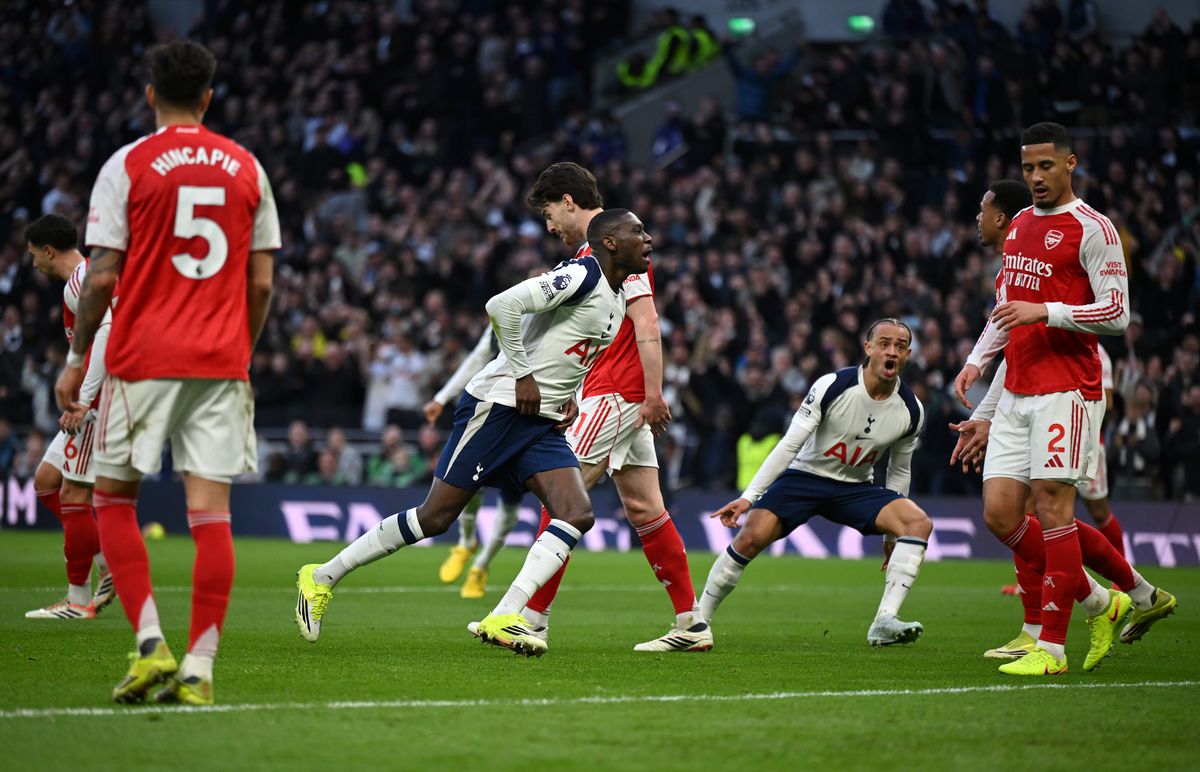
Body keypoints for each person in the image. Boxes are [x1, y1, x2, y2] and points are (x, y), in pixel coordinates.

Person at [295, 208, 652, 658]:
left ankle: (505, 614)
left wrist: (572, 394)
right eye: (638, 231)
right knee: (436, 518)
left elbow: (570, 350)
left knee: (577, 512)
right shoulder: (583, 274)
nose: (649, 238)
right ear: (612, 242)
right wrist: (524, 375)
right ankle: (322, 575)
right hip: (499, 407)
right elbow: (501, 305)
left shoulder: (618, 298)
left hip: (541, 423)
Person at [56, 40, 280, 705]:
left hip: (142, 358)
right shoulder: (246, 167)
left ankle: (151, 643)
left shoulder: (127, 164)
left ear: (150, 95)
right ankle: (201, 670)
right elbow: (262, 284)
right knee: (212, 514)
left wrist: (75, 359)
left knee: (113, 499)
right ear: (209, 97)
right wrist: (241, 347)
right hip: (218, 361)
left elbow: (98, 279)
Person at [952, 124, 1175, 676]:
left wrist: (1047, 312)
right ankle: (1110, 600)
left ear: (1070, 163)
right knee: (1002, 515)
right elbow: (1006, 309)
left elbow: (1118, 314)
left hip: (1067, 389)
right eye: (1028, 169)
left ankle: (1050, 648)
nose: (1035, 178)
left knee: (1052, 507)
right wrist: (978, 361)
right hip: (1016, 391)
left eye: (1046, 167)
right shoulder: (1021, 224)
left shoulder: (1094, 228)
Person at [503, 162, 708, 652]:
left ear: (568, 202)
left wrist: (652, 393)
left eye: (550, 212)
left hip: (617, 394)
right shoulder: (597, 249)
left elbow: (647, 323)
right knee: (645, 508)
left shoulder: (615, 246)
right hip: (613, 393)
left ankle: (530, 618)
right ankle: (691, 623)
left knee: (560, 500)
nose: (549, 224)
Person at [699, 319, 932, 647]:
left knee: (917, 523)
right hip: (805, 477)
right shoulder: (832, 386)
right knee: (751, 536)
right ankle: (697, 622)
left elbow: (898, 471)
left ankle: (884, 620)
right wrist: (750, 497)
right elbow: (790, 444)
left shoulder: (911, 410)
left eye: (900, 346)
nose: (892, 351)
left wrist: (893, 534)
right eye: (884, 343)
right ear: (868, 348)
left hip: (855, 488)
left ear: (908, 354)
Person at [23, 213, 114, 620]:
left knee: (75, 494)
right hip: (96, 399)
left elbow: (107, 334)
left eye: (33, 256)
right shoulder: (88, 276)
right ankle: (103, 561)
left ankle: (78, 600)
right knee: (47, 481)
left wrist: (86, 402)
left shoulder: (80, 280)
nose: (33, 264)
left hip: (97, 403)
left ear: (48, 250)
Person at [424, 327, 525, 599]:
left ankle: (480, 566)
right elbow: (477, 359)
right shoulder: (505, 315)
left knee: (511, 502)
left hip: (527, 420)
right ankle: (466, 541)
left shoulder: (560, 314)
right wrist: (441, 397)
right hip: (494, 414)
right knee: (470, 484)